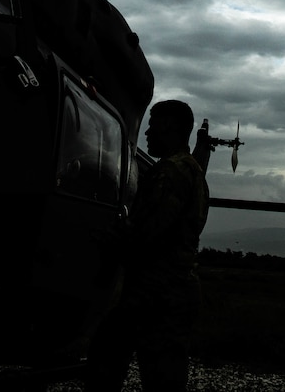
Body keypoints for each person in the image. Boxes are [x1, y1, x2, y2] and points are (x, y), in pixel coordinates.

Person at [85, 99, 210, 391]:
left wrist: (112, 238)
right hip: (173, 293)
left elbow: (148, 235)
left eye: (153, 126)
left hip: (155, 295)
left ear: (170, 128)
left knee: (108, 359)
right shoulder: (194, 173)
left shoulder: (170, 172)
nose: (147, 133)